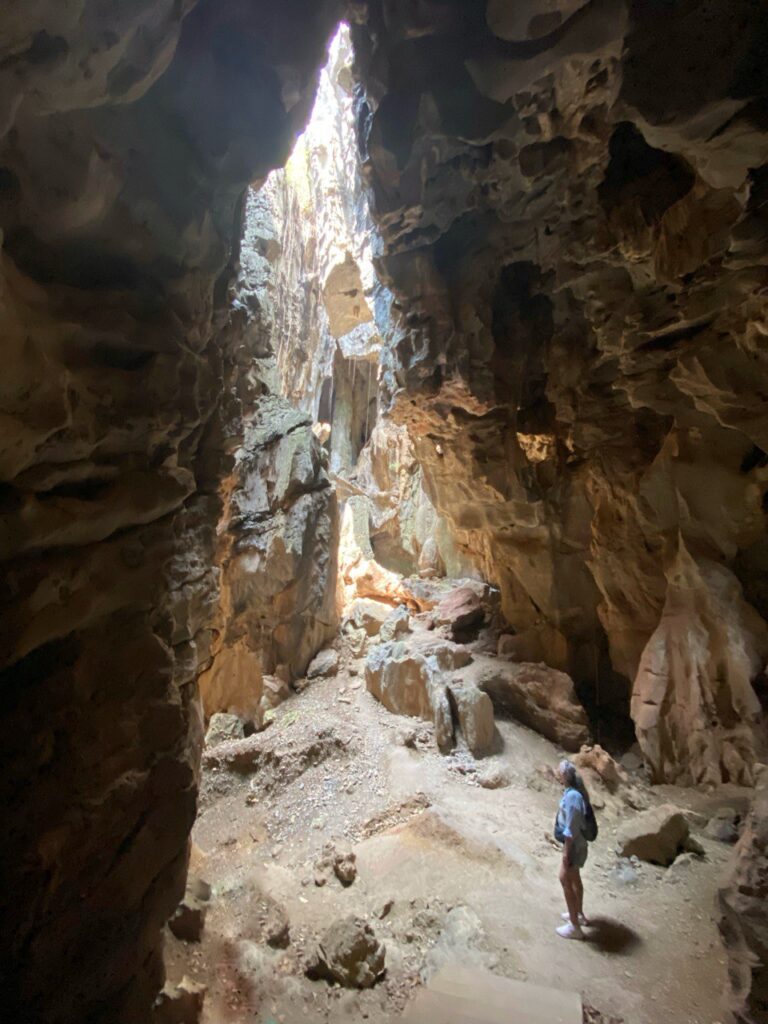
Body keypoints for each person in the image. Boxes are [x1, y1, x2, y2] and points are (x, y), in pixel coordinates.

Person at [554, 759, 590, 940]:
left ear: (564, 775)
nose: (556, 771)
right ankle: (578, 914)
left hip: (574, 846)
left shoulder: (573, 797)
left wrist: (567, 853)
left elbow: (571, 828)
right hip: (575, 844)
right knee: (574, 878)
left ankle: (574, 927)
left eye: (558, 769)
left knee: (564, 878)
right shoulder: (571, 793)